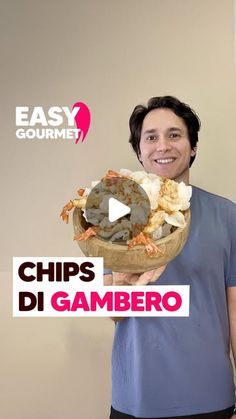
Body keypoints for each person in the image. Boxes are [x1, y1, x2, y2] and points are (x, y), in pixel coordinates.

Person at [104, 96, 236, 419]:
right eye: (151, 137)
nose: (162, 145)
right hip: (136, 401)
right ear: (139, 151)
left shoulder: (227, 215)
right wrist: (131, 277)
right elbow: (113, 311)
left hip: (211, 399)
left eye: (174, 135)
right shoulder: (116, 217)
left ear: (192, 147)